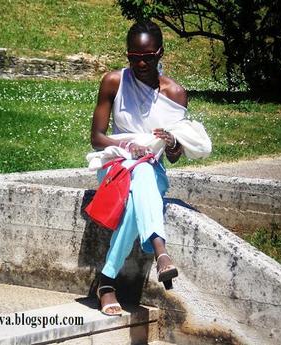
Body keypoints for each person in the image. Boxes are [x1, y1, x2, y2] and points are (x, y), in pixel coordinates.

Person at [90, 20, 189, 316]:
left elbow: (174, 155)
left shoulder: (175, 94)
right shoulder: (113, 81)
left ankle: (106, 282)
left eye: (147, 56)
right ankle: (160, 250)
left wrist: (172, 142)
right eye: (134, 57)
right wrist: (129, 145)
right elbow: (97, 138)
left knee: (143, 176)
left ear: (160, 53)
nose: (141, 63)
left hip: (152, 170)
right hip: (116, 166)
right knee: (139, 170)